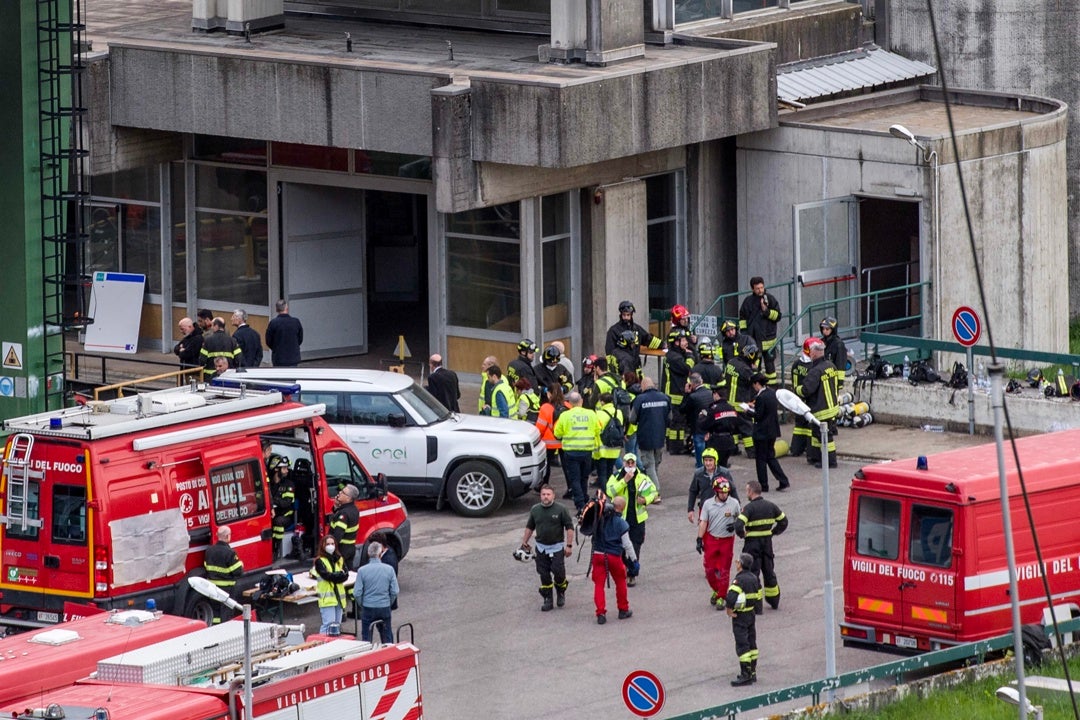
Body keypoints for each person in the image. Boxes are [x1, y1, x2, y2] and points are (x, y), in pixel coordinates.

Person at [519, 484, 575, 611]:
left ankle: (561, 592)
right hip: (541, 548)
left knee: (558, 572)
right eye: (543, 494)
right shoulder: (535, 509)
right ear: (540, 496)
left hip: (557, 547)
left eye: (548, 494)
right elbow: (530, 527)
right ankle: (548, 599)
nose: (546, 497)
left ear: (553, 495)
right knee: (543, 574)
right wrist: (524, 542)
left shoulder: (561, 509)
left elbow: (569, 528)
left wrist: (569, 546)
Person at [605, 453, 658, 586]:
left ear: (635, 464)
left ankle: (632, 573)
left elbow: (653, 491)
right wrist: (624, 481)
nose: (630, 466)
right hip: (620, 518)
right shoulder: (616, 476)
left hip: (637, 518)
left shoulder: (641, 477)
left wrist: (645, 500)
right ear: (623, 464)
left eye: (632, 463)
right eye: (627, 463)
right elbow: (610, 491)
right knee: (621, 546)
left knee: (635, 545)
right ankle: (623, 569)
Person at [735, 480, 788, 612]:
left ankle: (757, 606)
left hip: (752, 545)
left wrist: (743, 534)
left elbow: (738, 525)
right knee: (769, 571)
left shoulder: (749, 508)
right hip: (767, 544)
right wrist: (773, 532)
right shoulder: (771, 506)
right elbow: (784, 521)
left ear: (751, 492)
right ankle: (774, 601)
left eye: (747, 490)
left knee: (754, 573)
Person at [590, 496, 637, 625]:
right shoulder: (621, 523)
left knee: (599, 585)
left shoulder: (599, 519)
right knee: (621, 582)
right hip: (614, 557)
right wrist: (634, 560)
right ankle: (623, 609)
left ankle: (600, 613)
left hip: (598, 555)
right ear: (622, 507)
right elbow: (627, 544)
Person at [697, 477, 741, 609]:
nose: (724, 495)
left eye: (726, 492)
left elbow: (741, 518)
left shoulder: (734, 503)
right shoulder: (708, 504)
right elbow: (703, 521)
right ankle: (716, 590)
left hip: (727, 540)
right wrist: (699, 539)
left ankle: (722, 596)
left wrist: (735, 525)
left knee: (724, 570)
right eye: (722, 492)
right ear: (716, 492)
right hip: (711, 539)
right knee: (709, 570)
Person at [553, 391, 599, 513]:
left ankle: (580, 503)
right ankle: (584, 497)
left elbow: (557, 433)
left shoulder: (565, 416)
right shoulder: (591, 414)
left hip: (571, 452)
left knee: (575, 479)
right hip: (587, 451)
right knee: (584, 477)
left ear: (569, 403)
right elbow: (598, 430)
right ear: (581, 401)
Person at [798, 339, 840, 468]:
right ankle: (816, 457)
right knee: (817, 435)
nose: (809, 354)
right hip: (832, 407)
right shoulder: (831, 366)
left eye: (810, 352)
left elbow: (806, 390)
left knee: (824, 436)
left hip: (820, 409)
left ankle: (830, 461)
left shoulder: (815, 371)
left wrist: (797, 389)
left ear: (814, 354)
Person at [726, 552, 762, 686]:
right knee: (752, 643)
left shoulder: (739, 580)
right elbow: (759, 596)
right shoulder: (754, 577)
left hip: (740, 616)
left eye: (737, 561)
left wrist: (729, 610)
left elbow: (731, 597)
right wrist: (757, 610)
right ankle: (752, 672)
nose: (736, 563)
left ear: (740, 564)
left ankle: (745, 675)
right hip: (750, 615)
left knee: (742, 644)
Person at [629, 376, 671, 494]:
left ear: (643, 386)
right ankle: (651, 486)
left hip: (645, 437)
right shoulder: (664, 398)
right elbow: (670, 418)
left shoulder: (640, 399)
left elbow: (632, 419)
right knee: (656, 463)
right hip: (660, 437)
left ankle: (654, 491)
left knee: (649, 465)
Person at [749, 373, 790, 492]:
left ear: (757, 384)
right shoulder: (772, 393)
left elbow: (758, 415)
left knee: (761, 460)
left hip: (762, 432)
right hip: (772, 431)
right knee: (770, 457)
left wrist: (748, 410)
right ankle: (783, 480)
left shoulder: (761, 397)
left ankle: (763, 484)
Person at [738, 277, 782, 385]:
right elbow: (742, 318)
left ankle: (772, 388)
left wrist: (766, 311)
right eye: (757, 288)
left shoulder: (770, 299)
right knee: (754, 365)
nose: (760, 290)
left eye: (762, 287)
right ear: (752, 289)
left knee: (770, 367)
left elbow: (778, 316)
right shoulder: (748, 301)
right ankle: (756, 387)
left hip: (768, 339)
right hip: (753, 341)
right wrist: (744, 334)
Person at [354, 540, 399, 643]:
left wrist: (363, 604)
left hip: (368, 607)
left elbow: (357, 593)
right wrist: (388, 602)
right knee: (387, 635)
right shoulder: (389, 569)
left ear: (368, 554)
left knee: (366, 637)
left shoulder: (362, 570)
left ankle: (368, 655)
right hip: (384, 606)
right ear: (380, 554)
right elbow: (395, 591)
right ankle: (389, 654)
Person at [604, 300, 661, 374]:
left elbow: (648, 339)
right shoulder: (613, 331)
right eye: (624, 315)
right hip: (621, 370)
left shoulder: (636, 329)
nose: (626, 318)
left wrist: (662, 344)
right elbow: (609, 352)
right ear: (621, 315)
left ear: (631, 315)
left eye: (628, 315)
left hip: (636, 368)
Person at [723, 343, 759, 458]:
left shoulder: (731, 362)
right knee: (747, 428)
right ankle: (752, 451)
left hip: (729, 402)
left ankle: (733, 449)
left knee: (732, 429)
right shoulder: (746, 369)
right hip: (741, 403)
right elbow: (755, 384)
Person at [663, 328, 695, 454]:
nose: (685, 342)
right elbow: (688, 368)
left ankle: (671, 445)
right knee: (677, 424)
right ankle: (676, 447)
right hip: (676, 393)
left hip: (673, 392)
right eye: (682, 340)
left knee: (672, 424)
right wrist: (690, 355)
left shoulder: (672, 355)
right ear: (676, 342)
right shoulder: (675, 358)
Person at [687, 447, 738, 524]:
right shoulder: (698, 474)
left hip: (722, 508)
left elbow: (732, 490)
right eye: (706, 460)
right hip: (705, 509)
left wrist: (738, 507)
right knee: (704, 534)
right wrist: (690, 509)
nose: (708, 463)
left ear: (715, 460)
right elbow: (693, 491)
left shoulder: (724, 473)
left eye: (710, 460)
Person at [204, 526, 243, 624]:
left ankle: (216, 630)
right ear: (227, 536)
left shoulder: (209, 551)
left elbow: (206, 566)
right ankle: (226, 632)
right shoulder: (230, 553)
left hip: (212, 588)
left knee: (215, 613)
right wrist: (241, 565)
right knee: (227, 613)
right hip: (227, 589)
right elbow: (238, 571)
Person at [312, 533, 349, 634]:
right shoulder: (319, 561)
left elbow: (345, 575)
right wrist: (338, 575)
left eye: (332, 543)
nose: (330, 546)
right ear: (323, 546)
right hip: (327, 599)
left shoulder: (339, 559)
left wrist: (335, 576)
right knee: (328, 625)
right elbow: (326, 576)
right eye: (328, 544)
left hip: (338, 598)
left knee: (337, 625)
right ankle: (321, 644)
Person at [535, 384, 570, 490]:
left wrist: (537, 440)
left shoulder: (545, 408)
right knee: (566, 467)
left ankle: (544, 485)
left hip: (549, 443)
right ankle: (570, 488)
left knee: (547, 465)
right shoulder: (568, 406)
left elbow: (540, 428)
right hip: (565, 441)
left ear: (549, 394)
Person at [699, 384, 741, 467]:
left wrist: (701, 416)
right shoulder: (731, 408)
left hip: (717, 442)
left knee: (715, 468)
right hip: (729, 442)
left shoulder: (714, 409)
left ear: (716, 395)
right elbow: (737, 424)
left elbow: (704, 425)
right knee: (724, 466)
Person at [680, 372, 713, 469]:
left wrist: (686, 394)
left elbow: (682, 409)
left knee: (700, 451)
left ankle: (701, 467)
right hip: (710, 427)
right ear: (701, 381)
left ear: (692, 384)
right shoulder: (710, 393)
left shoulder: (693, 397)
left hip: (697, 427)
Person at [788, 338, 814, 457]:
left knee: (799, 425)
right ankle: (810, 451)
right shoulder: (814, 366)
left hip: (798, 399)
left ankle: (796, 449)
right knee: (810, 427)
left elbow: (794, 382)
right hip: (810, 400)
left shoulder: (796, 364)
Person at [593, 392, 625, 487]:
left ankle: (605, 494)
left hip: (602, 449)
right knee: (610, 472)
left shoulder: (598, 414)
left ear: (602, 402)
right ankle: (611, 492)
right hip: (615, 448)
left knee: (602, 474)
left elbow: (596, 430)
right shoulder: (618, 412)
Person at [268, 454, 294, 559]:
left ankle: (276, 549)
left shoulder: (289, 484)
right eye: (284, 468)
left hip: (286, 516)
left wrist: (273, 501)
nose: (287, 471)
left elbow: (286, 503)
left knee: (278, 522)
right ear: (276, 469)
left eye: (287, 468)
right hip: (272, 514)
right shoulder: (269, 483)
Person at [330, 484, 361, 568]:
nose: (340, 492)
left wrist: (328, 549)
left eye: (343, 492)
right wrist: (336, 506)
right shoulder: (354, 509)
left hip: (341, 550)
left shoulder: (344, 514)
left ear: (348, 498)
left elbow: (337, 536)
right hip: (350, 549)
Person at [265, 299, 303, 367]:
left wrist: (276, 348)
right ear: (287, 308)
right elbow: (300, 339)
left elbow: (268, 341)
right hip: (293, 357)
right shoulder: (296, 322)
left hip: (278, 357)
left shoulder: (273, 323)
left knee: (279, 376)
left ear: (276, 309)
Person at [819, 316, 849, 390]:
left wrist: (839, 383)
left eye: (827, 329)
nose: (824, 331)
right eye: (823, 329)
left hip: (832, 378)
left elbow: (840, 364)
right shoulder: (821, 342)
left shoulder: (838, 344)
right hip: (822, 376)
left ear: (833, 330)